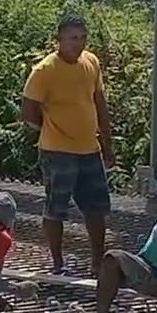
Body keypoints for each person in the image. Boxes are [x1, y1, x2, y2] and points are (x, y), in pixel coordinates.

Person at [21, 14, 115, 277]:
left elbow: (99, 102)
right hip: (57, 151)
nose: (79, 43)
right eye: (73, 38)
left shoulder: (91, 62)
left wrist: (107, 143)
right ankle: (58, 263)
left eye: (82, 38)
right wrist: (50, 128)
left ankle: (97, 262)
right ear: (59, 39)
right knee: (56, 208)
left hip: (89, 148)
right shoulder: (44, 70)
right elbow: (28, 110)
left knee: (96, 208)